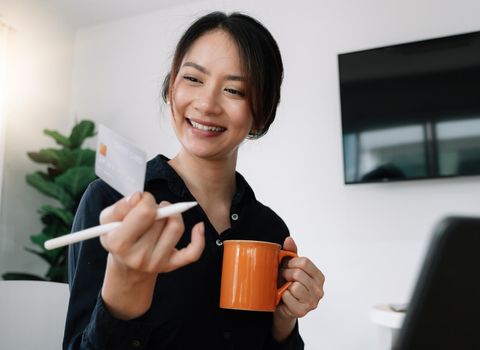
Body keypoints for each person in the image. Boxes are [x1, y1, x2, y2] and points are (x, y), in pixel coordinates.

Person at [64, 11, 325, 350]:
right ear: (170, 88)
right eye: (193, 79)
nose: (206, 103)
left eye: (234, 90)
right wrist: (125, 293)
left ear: (262, 112)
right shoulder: (115, 203)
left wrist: (284, 319)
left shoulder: (269, 230)